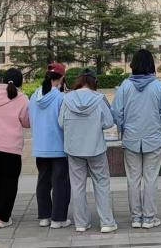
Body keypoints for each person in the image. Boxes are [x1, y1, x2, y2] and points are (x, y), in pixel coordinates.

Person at [111, 49, 161, 229]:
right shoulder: (159, 86)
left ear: (133, 65)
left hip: (131, 139)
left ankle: (135, 218)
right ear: (151, 65)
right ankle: (149, 218)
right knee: (151, 179)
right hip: (153, 139)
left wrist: (123, 128)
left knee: (133, 179)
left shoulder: (125, 86)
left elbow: (116, 112)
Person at [59, 69, 118, 233]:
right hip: (96, 148)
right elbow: (109, 123)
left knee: (77, 186)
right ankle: (107, 222)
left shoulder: (67, 99)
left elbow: (61, 123)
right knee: (102, 184)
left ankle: (81, 223)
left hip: (74, 149)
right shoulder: (99, 99)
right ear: (94, 82)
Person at [0, 68, 30, 229]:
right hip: (10, 146)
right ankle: (2, 218)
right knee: (10, 182)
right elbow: (26, 122)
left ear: (3, 80)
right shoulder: (22, 99)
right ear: (20, 82)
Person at [28, 63, 71, 229]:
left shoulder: (34, 96)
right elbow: (64, 123)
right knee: (60, 184)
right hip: (58, 146)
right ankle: (58, 219)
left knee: (43, 182)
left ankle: (44, 217)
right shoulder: (61, 98)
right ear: (62, 78)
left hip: (40, 146)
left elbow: (31, 119)